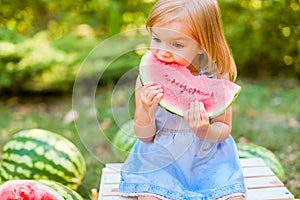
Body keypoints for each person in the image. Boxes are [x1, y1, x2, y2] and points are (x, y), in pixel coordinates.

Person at [119, 0, 246, 199]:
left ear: (202, 45)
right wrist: (145, 111)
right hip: (161, 159)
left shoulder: (218, 77)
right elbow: (144, 136)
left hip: (209, 161)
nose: (162, 52)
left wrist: (204, 130)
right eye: (156, 39)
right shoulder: (147, 76)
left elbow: (223, 128)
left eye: (177, 44)